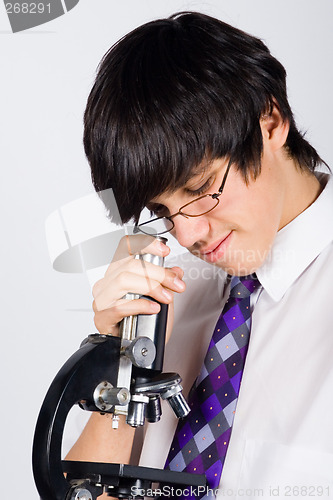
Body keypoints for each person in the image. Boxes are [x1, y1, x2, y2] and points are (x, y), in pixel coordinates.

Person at [66, 11, 333, 499]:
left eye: (202, 188)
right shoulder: (166, 287)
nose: (188, 234)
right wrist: (118, 359)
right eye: (161, 210)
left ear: (270, 121)